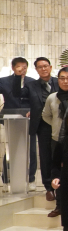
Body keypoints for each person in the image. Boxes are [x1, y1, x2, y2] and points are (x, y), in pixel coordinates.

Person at [42, 67, 68, 217]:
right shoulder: (52, 97)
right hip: (57, 140)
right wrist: (57, 127)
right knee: (58, 172)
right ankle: (59, 205)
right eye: (62, 78)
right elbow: (46, 116)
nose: (65, 81)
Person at [22, 57, 58, 196]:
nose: (43, 69)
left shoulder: (59, 81)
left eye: (45, 66)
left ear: (50, 67)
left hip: (59, 124)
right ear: (36, 69)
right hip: (42, 126)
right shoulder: (31, 85)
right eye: (40, 67)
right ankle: (48, 187)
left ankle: (60, 184)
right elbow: (19, 96)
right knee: (45, 156)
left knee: (60, 154)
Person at [0, 57, 36, 188]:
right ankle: (6, 178)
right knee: (11, 148)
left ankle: (31, 178)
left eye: (24, 67)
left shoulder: (32, 82)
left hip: (29, 118)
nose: (22, 70)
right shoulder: (3, 81)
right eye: (19, 67)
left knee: (31, 148)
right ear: (13, 68)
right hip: (10, 118)